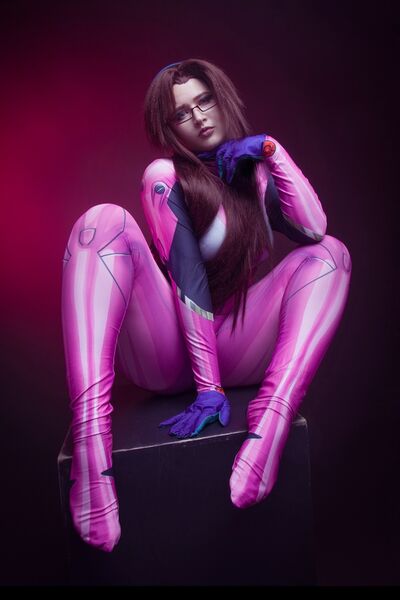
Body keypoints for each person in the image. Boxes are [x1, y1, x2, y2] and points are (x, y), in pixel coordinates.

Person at [61, 58, 352, 553]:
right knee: (100, 221)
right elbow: (188, 280)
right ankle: (92, 447)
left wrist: (270, 150)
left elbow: (313, 228)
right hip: (167, 351)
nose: (198, 117)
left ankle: (272, 420)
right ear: (168, 128)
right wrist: (208, 389)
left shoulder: (256, 174)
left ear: (222, 99)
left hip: (237, 345)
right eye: (182, 113)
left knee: (332, 254)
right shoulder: (165, 177)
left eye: (205, 101)